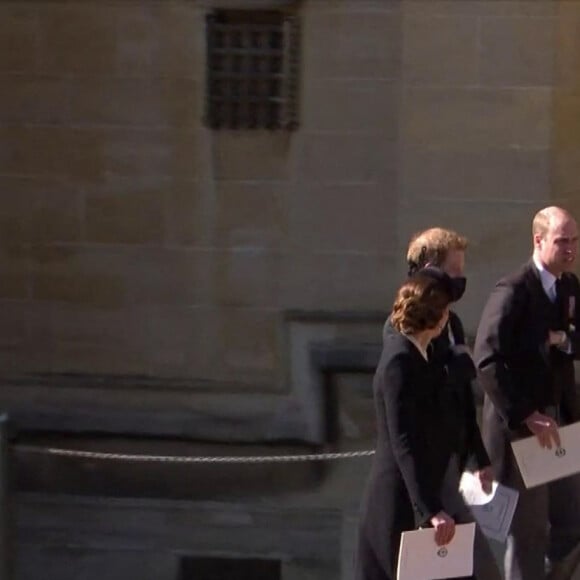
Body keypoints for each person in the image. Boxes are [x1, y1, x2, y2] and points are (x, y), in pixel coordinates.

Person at [355, 273, 500, 580]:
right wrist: (430, 510)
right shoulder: (399, 361)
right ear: (436, 318)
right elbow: (403, 442)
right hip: (399, 502)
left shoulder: (422, 357)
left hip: (425, 494)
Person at [474, 206, 580, 580]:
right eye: (561, 241)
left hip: (561, 425)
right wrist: (525, 414)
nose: (570, 249)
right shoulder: (514, 289)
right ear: (539, 240)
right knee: (528, 535)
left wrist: (564, 340)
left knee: (571, 526)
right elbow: (486, 359)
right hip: (524, 432)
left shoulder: (569, 286)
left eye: (574, 241)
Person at [405, 228, 493, 480]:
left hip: (455, 457)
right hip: (428, 458)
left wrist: (478, 458)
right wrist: (458, 364)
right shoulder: (408, 325)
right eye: (454, 270)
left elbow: (463, 397)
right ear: (432, 269)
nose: (460, 278)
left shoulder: (452, 323)